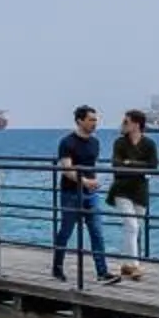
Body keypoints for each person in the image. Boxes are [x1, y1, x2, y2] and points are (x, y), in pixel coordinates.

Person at [50, 104, 114, 284]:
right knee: (66, 231)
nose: (95, 123)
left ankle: (102, 271)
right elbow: (67, 169)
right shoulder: (67, 142)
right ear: (80, 121)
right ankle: (57, 268)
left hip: (91, 194)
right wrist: (85, 181)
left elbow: (90, 166)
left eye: (95, 120)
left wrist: (93, 182)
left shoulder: (95, 142)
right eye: (91, 120)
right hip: (71, 192)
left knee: (97, 232)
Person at [109, 108, 158, 282]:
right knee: (132, 225)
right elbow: (116, 164)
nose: (124, 124)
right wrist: (138, 167)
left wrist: (130, 163)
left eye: (127, 121)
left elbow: (153, 166)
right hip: (121, 189)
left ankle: (126, 264)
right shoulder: (119, 143)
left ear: (136, 124)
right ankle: (136, 266)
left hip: (140, 191)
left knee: (135, 228)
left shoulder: (149, 144)